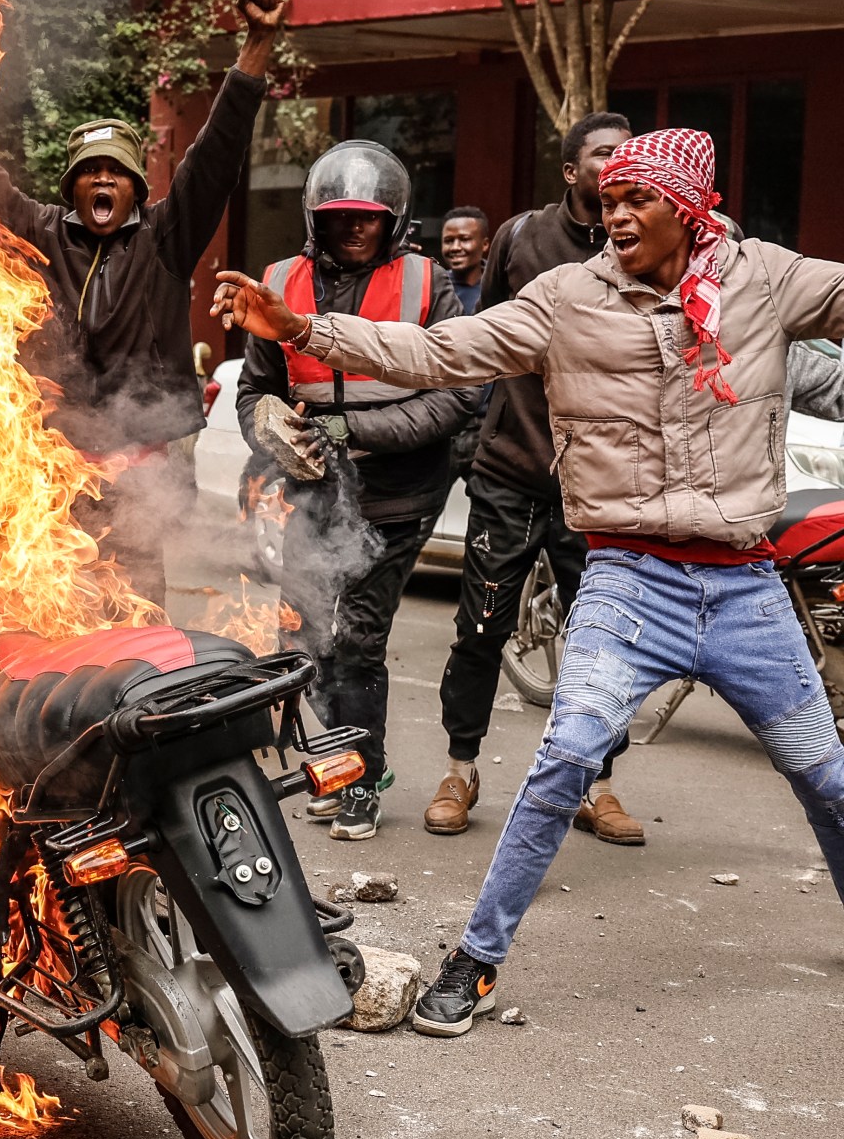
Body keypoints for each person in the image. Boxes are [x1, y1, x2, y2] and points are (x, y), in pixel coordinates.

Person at [211, 127, 844, 1036]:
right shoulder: (566, 297)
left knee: (828, 779)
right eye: (608, 200)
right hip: (630, 580)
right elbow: (438, 352)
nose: (615, 215)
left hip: (745, 588)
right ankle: (475, 960)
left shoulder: (764, 279)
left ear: (689, 207)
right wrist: (305, 330)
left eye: (638, 200)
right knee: (563, 761)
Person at [0, 0, 287, 606]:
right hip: (53, 465)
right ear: (72, 188)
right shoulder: (40, 232)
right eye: (90, 171)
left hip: (141, 467)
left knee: (135, 607)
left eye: (116, 170)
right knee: (57, 606)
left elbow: (216, 154)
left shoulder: (165, 236)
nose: (103, 180)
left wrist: (257, 44)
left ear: (137, 187)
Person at [235, 140, 478, 840]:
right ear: (315, 218)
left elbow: (456, 395)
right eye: (338, 216)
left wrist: (349, 430)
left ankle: (362, 778)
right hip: (313, 493)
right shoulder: (280, 281)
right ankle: (342, 762)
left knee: (360, 639)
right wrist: (272, 433)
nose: (353, 227)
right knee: (303, 637)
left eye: (367, 217)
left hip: (398, 496)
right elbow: (254, 391)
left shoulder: (428, 283)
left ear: (393, 219)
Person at [424, 113, 634, 839]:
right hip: (511, 473)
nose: (619, 164)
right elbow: (481, 340)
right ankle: (460, 770)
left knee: (602, 644)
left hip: (601, 487)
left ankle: (597, 784)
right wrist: (472, 440)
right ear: (572, 171)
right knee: (480, 629)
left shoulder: (647, 238)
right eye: (604, 154)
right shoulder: (520, 238)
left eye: (628, 153)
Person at [440, 206, 491, 313]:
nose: (455, 247)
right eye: (448, 241)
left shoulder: (498, 286)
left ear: (485, 244)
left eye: (464, 239)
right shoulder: (435, 287)